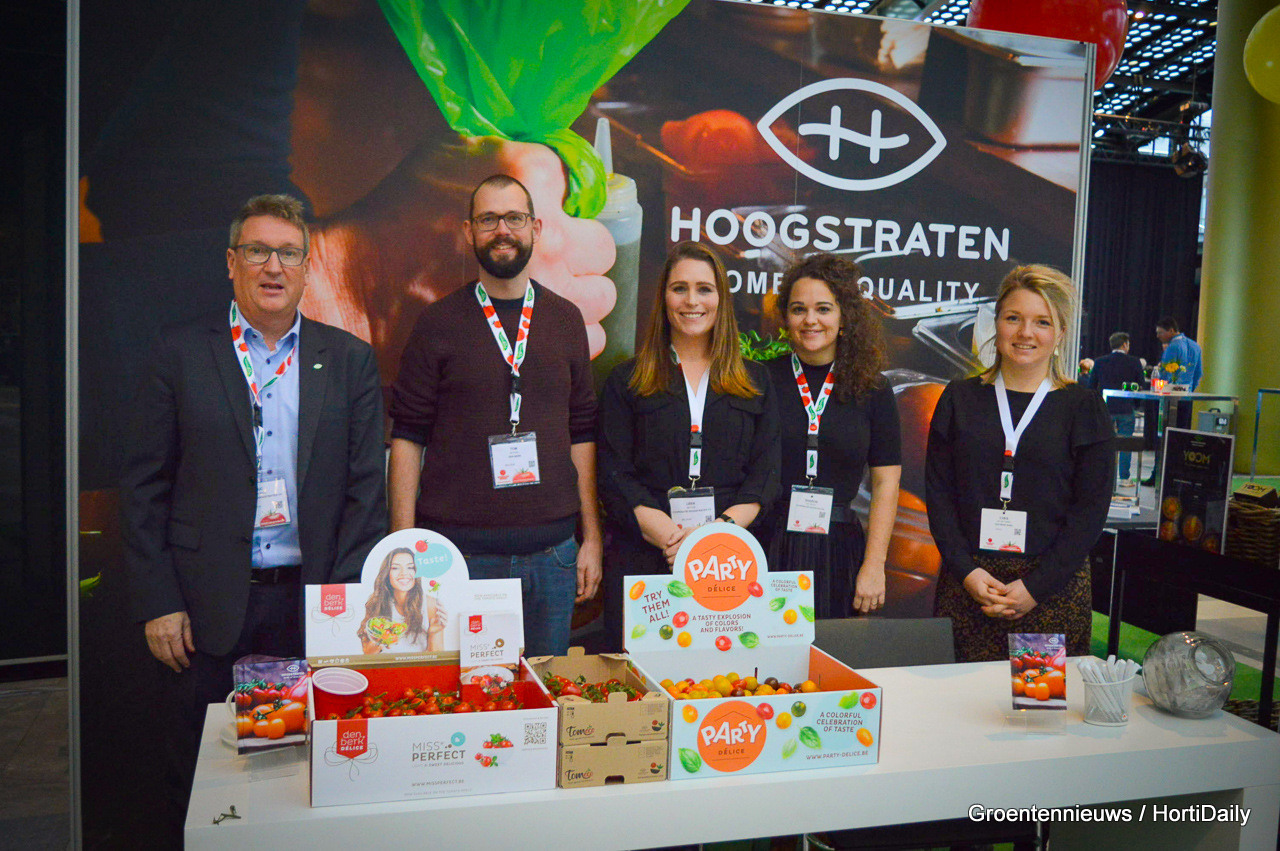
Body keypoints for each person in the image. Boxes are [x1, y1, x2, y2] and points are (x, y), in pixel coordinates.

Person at [119, 193, 388, 822]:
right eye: (259, 251)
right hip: (206, 611)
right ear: (231, 262)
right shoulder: (181, 352)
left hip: (303, 608)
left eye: (289, 253)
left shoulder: (347, 359)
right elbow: (144, 486)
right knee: (205, 780)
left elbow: (364, 494)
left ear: (306, 268)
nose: (274, 266)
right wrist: (159, 600)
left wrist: (340, 608)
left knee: (288, 775)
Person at [388, 174, 602, 659]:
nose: (502, 230)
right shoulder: (437, 323)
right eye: (488, 219)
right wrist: (402, 551)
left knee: (543, 696)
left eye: (514, 218)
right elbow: (407, 436)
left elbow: (582, 431)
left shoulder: (567, 320)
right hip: (458, 559)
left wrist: (591, 538)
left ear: (536, 228)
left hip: (553, 557)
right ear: (469, 231)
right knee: (464, 698)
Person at [925, 265, 1113, 662]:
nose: (1026, 333)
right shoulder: (959, 398)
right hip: (969, 588)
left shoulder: (1083, 408)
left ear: (1060, 333)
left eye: (1042, 322)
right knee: (957, 699)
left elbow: (1090, 512)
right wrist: (968, 573)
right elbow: (939, 495)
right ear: (996, 324)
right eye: (1013, 318)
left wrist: (1036, 588)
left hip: (1050, 592)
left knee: (1035, 700)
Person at [598, 241, 780, 649]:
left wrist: (711, 544)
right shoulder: (627, 380)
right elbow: (613, 474)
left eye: (704, 289)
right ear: (663, 297)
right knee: (643, 677)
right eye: (679, 288)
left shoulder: (756, 380)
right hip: (647, 558)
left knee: (721, 677)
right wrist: (671, 538)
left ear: (721, 299)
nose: (692, 301)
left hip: (728, 565)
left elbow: (766, 475)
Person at [758, 254, 901, 618]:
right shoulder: (761, 380)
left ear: (844, 316)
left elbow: (886, 482)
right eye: (798, 309)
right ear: (786, 317)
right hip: (767, 544)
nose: (810, 320)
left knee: (833, 651)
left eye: (823, 309)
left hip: (839, 548)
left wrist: (874, 565)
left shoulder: (872, 388)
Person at [1082, 332, 1145, 484]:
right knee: (1125, 445)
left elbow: (1091, 387)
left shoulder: (1100, 362)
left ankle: (1102, 476)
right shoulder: (1135, 362)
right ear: (1124, 345)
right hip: (1126, 408)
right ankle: (1124, 478)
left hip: (1105, 409)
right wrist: (1135, 405)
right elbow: (1140, 386)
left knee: (1103, 443)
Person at [358, 548, 447, 654]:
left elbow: (438, 658)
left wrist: (434, 633)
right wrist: (379, 640)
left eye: (410, 567)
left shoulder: (429, 604)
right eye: (395, 568)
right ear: (387, 573)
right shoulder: (377, 603)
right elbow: (368, 654)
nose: (404, 573)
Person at [1155, 316, 1203, 391]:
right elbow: (1198, 373)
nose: (1158, 336)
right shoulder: (1196, 346)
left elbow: (1165, 374)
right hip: (1188, 392)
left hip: (1170, 393)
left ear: (1171, 330)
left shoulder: (1172, 347)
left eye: (1160, 333)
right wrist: (1189, 390)